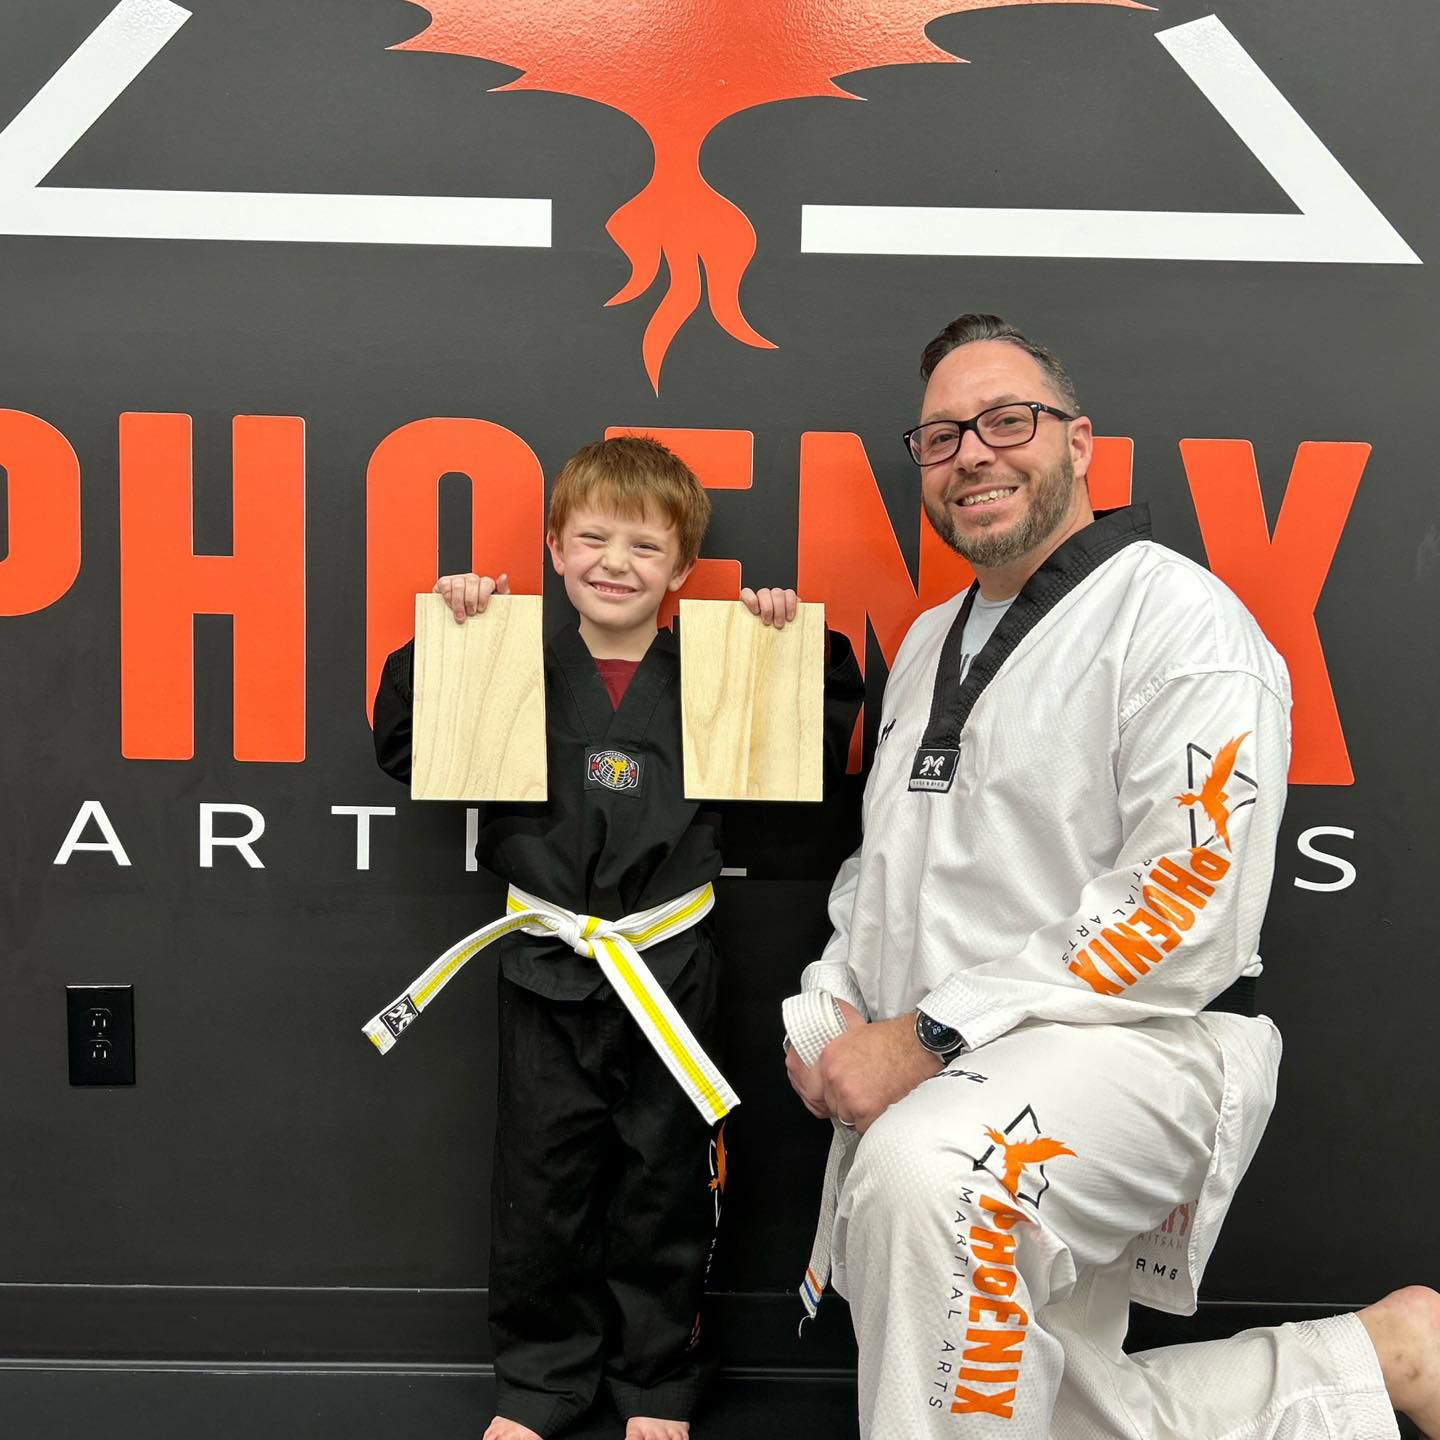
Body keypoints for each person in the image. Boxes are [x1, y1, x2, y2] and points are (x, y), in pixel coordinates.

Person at [782, 315, 1440, 1439]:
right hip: (965, 1064)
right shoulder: (931, 639)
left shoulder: (1182, 621)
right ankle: (1379, 1363)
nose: (972, 455)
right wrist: (831, 1011)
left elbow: (1185, 904)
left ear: (1080, 443)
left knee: (935, 1178)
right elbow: (881, 872)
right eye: (941, 437)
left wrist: (926, 1037)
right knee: (1033, 1399)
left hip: (1128, 1050)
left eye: (1007, 422)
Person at [370, 436, 862, 1440]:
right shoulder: (508, 660)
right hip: (545, 964)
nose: (615, 563)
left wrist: (790, 645)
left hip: (670, 965)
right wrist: (450, 637)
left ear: (682, 569)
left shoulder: (717, 668)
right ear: (555, 549)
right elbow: (405, 743)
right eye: (592, 538)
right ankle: (538, 1383)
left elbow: (816, 747)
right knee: (539, 1184)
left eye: (645, 547)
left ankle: (655, 1381)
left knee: (665, 1179)